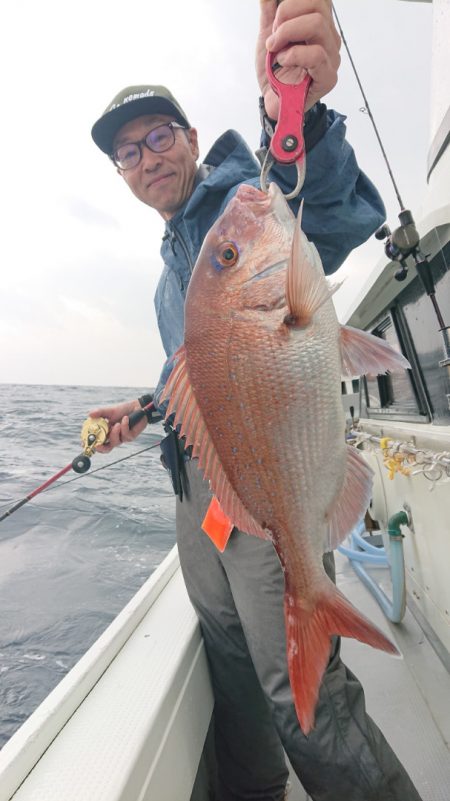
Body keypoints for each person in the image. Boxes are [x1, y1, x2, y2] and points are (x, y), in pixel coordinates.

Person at [89, 2, 423, 799]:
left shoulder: (244, 199)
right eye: (128, 152)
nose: (147, 157)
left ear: (193, 138)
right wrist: (141, 407)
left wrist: (293, 116)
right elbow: (195, 375)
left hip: (266, 475)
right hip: (203, 495)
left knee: (299, 697)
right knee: (232, 666)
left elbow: (340, 212)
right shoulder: (176, 266)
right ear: (124, 173)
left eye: (159, 135)